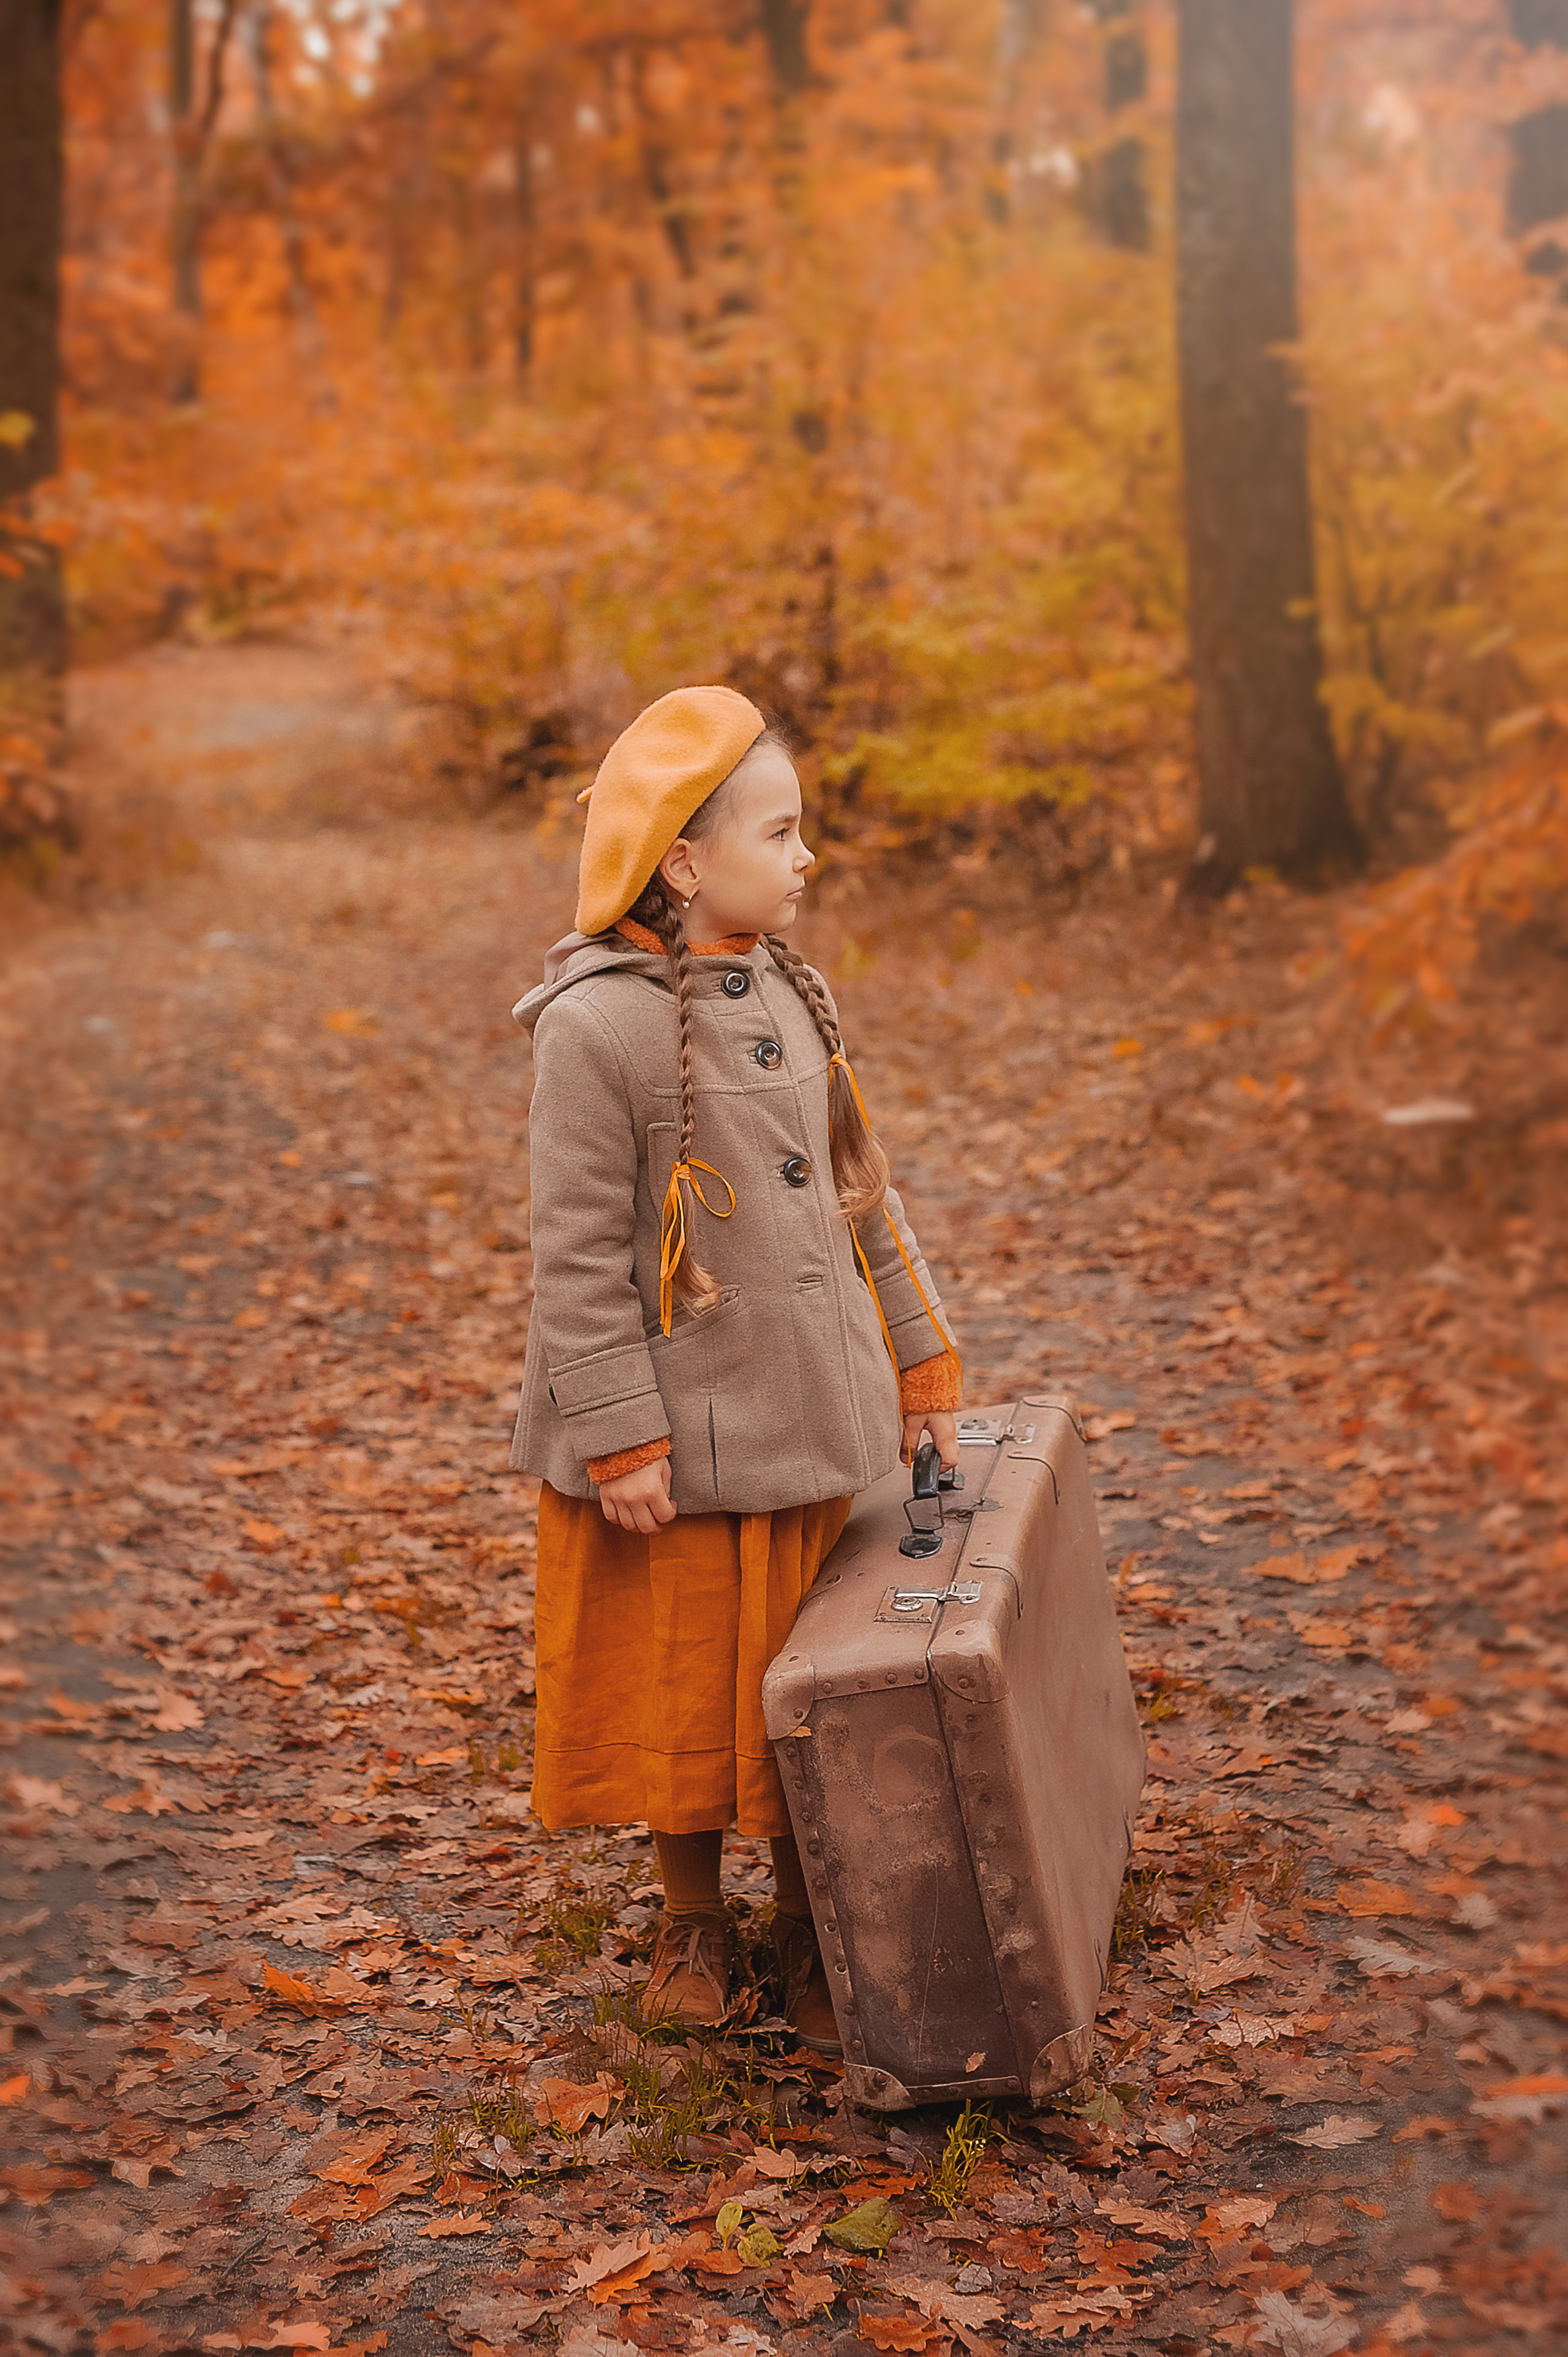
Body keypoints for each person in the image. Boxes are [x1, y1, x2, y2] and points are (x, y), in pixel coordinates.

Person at [510, 684, 960, 2049]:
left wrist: (920, 1360)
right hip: (687, 1446)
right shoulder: (594, 1028)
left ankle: (808, 1917)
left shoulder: (793, 991)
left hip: (810, 1420)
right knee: (692, 1692)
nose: (805, 854)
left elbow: (862, 1194)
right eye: (780, 831)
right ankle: (689, 1913)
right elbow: (576, 1254)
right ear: (687, 861)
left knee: (808, 1693)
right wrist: (618, 1433)